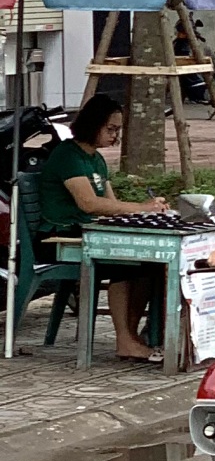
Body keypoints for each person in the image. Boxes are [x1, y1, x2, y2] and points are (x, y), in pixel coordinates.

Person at [34, 95, 167, 362]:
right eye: (111, 129)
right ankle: (125, 339)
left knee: (149, 265)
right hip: (58, 236)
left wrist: (145, 210)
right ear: (93, 124)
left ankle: (129, 334)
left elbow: (111, 204)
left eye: (118, 129)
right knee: (122, 263)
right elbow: (90, 203)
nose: (115, 135)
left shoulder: (95, 160)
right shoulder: (68, 155)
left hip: (86, 233)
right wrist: (141, 208)